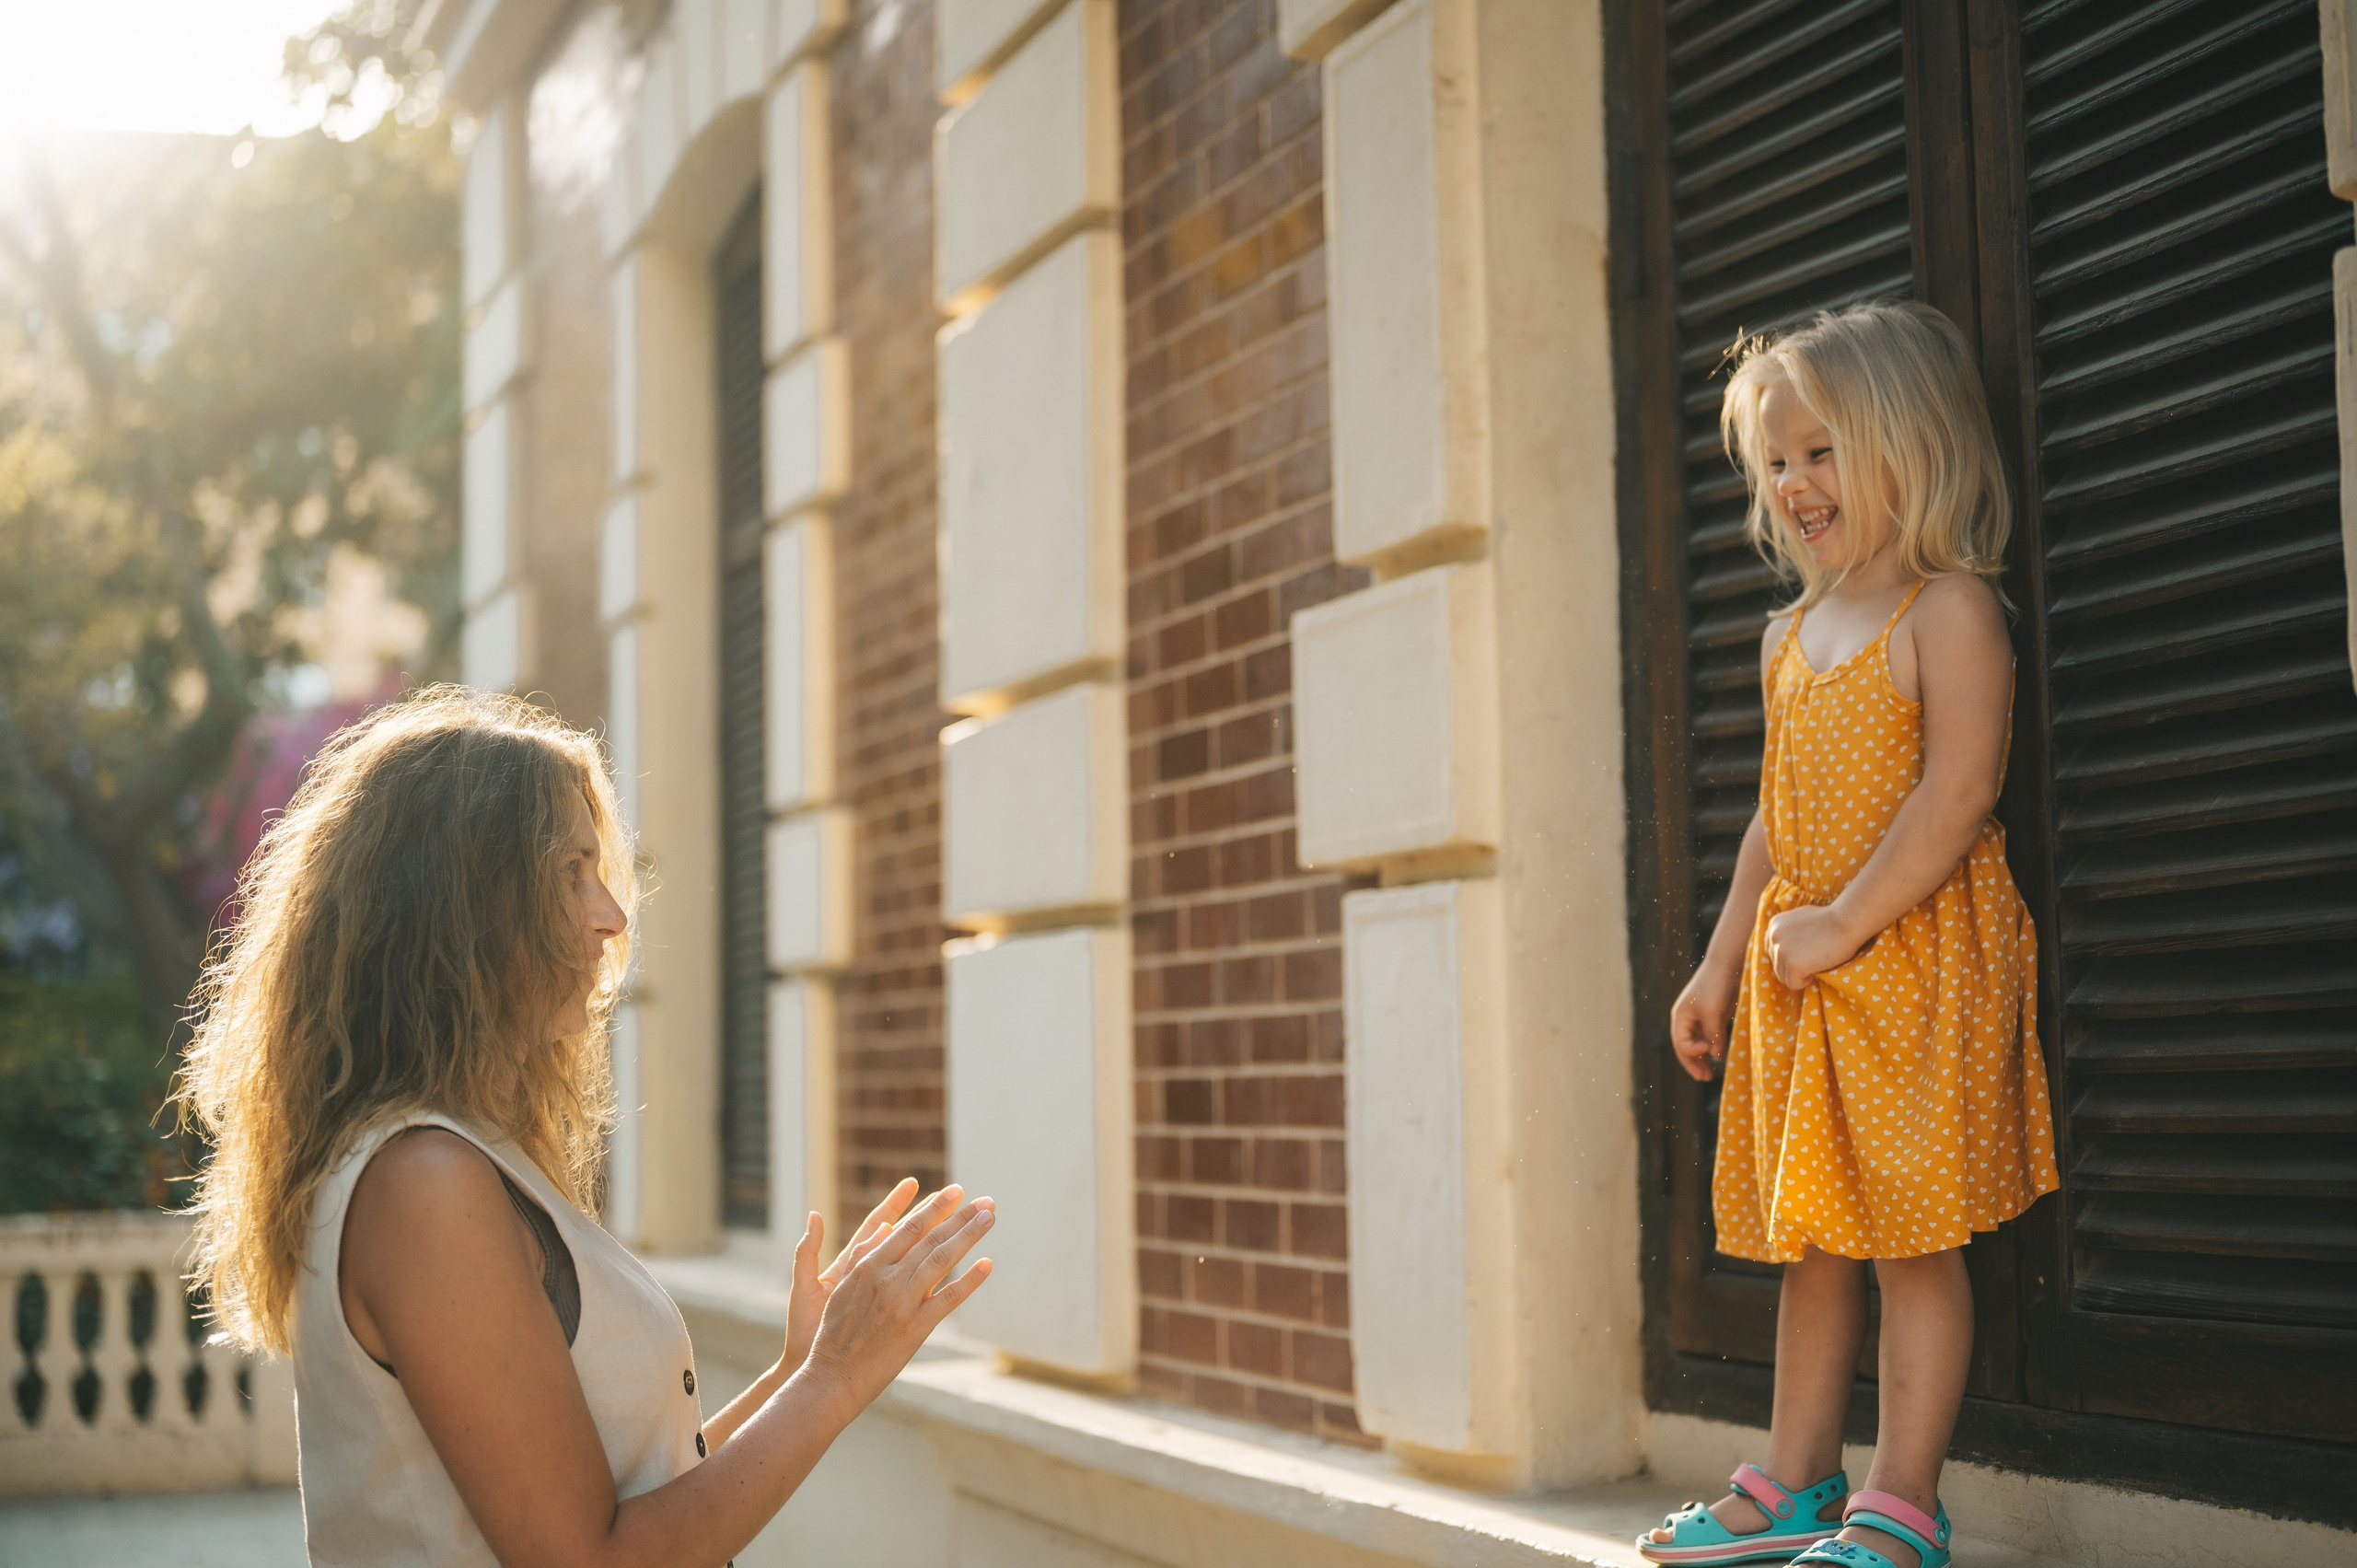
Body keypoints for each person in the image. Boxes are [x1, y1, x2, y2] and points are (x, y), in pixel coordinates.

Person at [175, 688, 994, 1568]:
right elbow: (590, 1559)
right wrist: (833, 1378)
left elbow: (624, 1503)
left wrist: (801, 1371)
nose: (611, 915)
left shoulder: (454, 1156)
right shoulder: (423, 1184)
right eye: (572, 872)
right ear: (464, 906)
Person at [1638, 302, 2060, 1568]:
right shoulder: (1788, 633)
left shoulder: (1950, 609)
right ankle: (1795, 1478)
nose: (1794, 483)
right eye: (1776, 461)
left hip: (1912, 963)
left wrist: (1843, 922)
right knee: (1814, 1239)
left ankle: (1904, 1502)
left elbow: (1959, 792)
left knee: (1914, 1241)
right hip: (1805, 974)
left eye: (1820, 451)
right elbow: (1778, 815)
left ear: (1908, 442)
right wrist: (1718, 963)